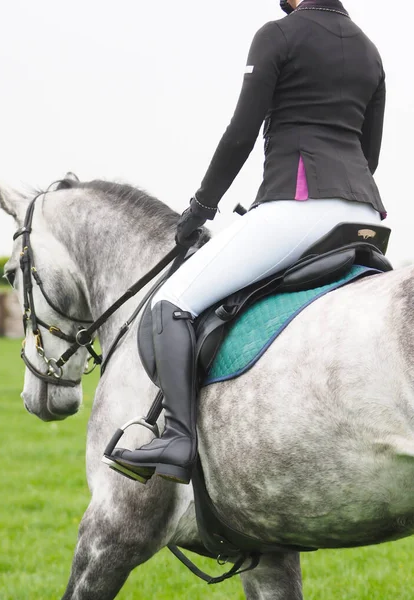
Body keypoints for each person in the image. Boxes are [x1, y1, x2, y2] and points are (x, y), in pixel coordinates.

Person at [105, 0, 386, 484]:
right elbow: (370, 151)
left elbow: (240, 133)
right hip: (364, 214)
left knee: (173, 302)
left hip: (298, 202)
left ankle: (177, 438)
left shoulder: (278, 33)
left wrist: (200, 209)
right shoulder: (370, 50)